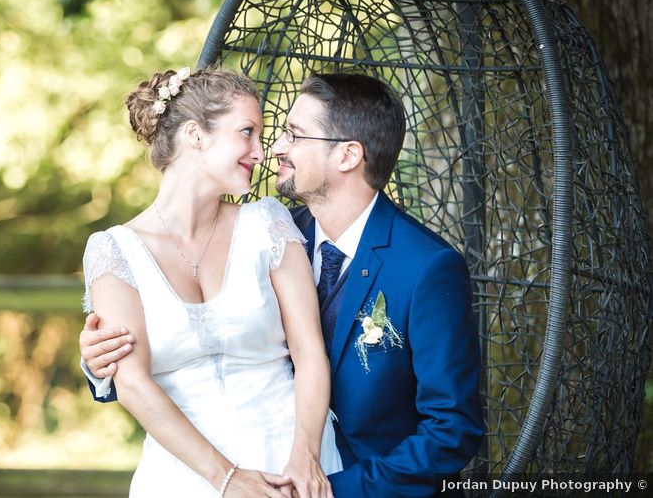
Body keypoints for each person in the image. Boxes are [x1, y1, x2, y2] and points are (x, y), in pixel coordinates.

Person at [81, 72, 485, 496]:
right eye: (254, 134)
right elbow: (155, 363)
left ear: (348, 155)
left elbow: (451, 428)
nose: (272, 149)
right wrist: (101, 362)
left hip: (346, 478)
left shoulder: (424, 267)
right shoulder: (278, 231)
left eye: (294, 135)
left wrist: (335, 488)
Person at [80, 67, 343, 498]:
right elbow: (131, 383)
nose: (260, 153)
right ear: (195, 135)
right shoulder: (115, 251)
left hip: (292, 460)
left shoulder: (267, 223)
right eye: (247, 132)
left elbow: (309, 349)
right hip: (184, 474)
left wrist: (306, 454)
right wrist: (226, 478)